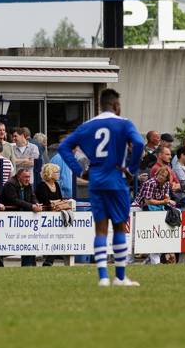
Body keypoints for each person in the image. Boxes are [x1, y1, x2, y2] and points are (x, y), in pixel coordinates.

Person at [59, 88, 145, 287]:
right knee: (120, 227)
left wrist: (79, 171)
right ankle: (120, 277)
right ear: (116, 105)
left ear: (100, 105)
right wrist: (131, 169)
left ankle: (103, 278)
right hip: (117, 180)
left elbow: (64, 147)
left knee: (100, 229)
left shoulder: (87, 126)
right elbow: (139, 143)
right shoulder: (124, 123)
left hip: (96, 181)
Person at [0, 168, 42, 267]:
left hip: (24, 219)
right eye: (25, 177)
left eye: (29, 177)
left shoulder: (28, 185)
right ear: (18, 177)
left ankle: (29, 265)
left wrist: (36, 204)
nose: (28, 179)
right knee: (3, 242)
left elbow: (33, 196)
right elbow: (14, 200)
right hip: (8, 219)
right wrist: (31, 206)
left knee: (27, 241)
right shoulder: (10, 184)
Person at [35, 162, 72, 267]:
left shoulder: (56, 185)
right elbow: (46, 202)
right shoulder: (42, 186)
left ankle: (49, 261)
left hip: (56, 217)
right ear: (50, 173)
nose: (58, 174)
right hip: (44, 218)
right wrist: (57, 203)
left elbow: (60, 199)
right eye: (56, 172)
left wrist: (55, 203)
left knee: (57, 239)